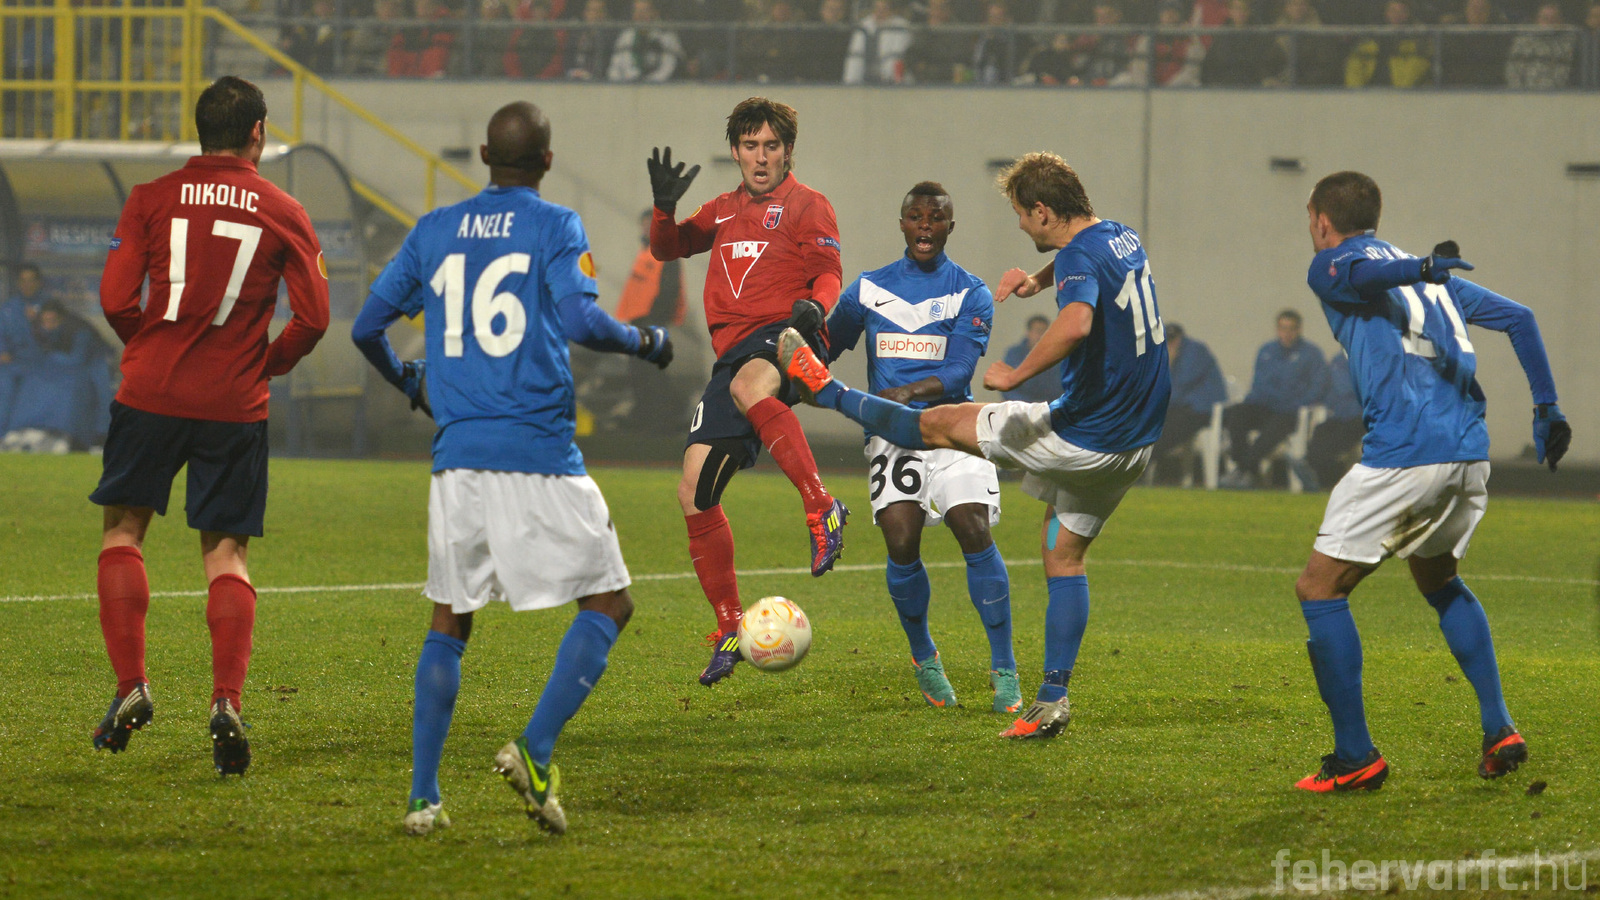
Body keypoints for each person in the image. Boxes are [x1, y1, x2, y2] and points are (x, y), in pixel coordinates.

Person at [352, 101, 670, 837]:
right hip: (537, 450)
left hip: (457, 457)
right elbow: (582, 322)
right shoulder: (555, 224)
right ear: (547, 162)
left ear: (485, 158)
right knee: (610, 602)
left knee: (450, 618)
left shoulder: (435, 229)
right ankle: (535, 747)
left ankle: (424, 799)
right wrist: (647, 342)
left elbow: (367, 328)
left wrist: (410, 381)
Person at [780, 151, 1171, 741]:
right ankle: (1050, 699)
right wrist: (1038, 280)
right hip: (1137, 439)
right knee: (1063, 557)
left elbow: (1077, 323)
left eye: (1021, 214)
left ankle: (827, 392)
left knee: (936, 425)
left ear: (1043, 211)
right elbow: (1083, 264)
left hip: (1085, 431)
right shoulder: (1119, 235)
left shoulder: (1015, 276)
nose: (1019, 224)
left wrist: (1015, 373)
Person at [1292, 170, 1570, 791]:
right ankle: (1499, 727)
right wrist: (1546, 405)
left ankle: (1355, 757)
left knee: (1319, 589)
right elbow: (1520, 318)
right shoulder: (1433, 280)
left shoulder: (1335, 263)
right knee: (1439, 578)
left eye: (1310, 219)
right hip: (1468, 453)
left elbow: (1357, 275)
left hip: (1406, 453)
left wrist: (1419, 267)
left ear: (1321, 219)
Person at [89, 76, 330, 776]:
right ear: (257, 131)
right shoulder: (283, 208)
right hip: (233, 402)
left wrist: (149, 349)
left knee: (123, 530)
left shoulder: (150, 198)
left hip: (150, 392)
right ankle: (226, 700)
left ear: (201, 129)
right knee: (226, 553)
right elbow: (314, 318)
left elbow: (115, 298)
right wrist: (265, 363)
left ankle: (131, 685)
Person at [646, 98, 849, 687]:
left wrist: (818, 306)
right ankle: (730, 628)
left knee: (747, 383)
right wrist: (664, 209)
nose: (761, 157)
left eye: (771, 146)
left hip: (790, 333)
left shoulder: (808, 205)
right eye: (750, 146)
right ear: (735, 151)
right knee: (693, 492)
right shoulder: (723, 209)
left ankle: (821, 505)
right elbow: (668, 247)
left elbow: (829, 273)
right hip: (733, 355)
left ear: (788, 151)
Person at [824, 182, 1019, 713]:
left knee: (971, 526)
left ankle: (1004, 667)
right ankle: (924, 656)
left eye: (936, 217)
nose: (926, 224)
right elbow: (826, 345)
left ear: (950, 226)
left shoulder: (970, 292)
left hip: (952, 428)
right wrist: (798, 337)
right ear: (903, 224)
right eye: (916, 216)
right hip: (892, 435)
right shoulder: (868, 288)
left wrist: (907, 393)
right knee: (901, 539)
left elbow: (959, 371)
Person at [1219, 308, 1325, 489]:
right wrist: (1277, 398)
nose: (1287, 333)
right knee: (1237, 414)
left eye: (1291, 328)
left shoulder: (1311, 354)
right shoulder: (1266, 351)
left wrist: (1293, 402)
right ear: (1277, 329)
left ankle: (1242, 470)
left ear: (1299, 330)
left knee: (1276, 426)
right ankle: (1247, 470)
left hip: (1290, 411)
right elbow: (1259, 385)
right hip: (1265, 406)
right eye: (1283, 328)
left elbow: (1317, 388)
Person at [1149, 322, 1225, 483]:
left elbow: (1177, 388)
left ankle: (1143, 466)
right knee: (1152, 424)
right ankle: (1143, 466)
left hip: (1202, 409)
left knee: (1166, 431)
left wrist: (1169, 362)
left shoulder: (1195, 352)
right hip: (1183, 407)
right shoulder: (1164, 350)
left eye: (1173, 339)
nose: (1171, 343)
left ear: (1180, 338)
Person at [1295, 349, 1364, 491]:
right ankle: (1314, 471)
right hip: (1338, 415)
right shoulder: (1337, 361)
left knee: (1335, 441)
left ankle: (1326, 481)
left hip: (1360, 416)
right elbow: (1327, 390)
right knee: (1321, 431)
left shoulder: (1368, 360)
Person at [1344, 0, 1430, 88]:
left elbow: (1417, 69)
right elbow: (1354, 66)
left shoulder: (1419, 41)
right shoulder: (1370, 39)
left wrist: (1400, 93)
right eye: (1393, 10)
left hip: (1403, 93)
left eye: (1402, 11)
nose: (1397, 15)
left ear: (1409, 14)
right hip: (1368, 92)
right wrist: (1356, 92)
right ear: (1386, 12)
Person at [606, 0, 683, 81]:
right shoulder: (626, 36)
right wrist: (617, 84)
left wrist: (648, 84)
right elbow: (614, 67)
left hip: (658, 85)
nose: (640, 15)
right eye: (637, 11)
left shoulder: (667, 36)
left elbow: (668, 68)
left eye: (644, 11)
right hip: (627, 85)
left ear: (654, 13)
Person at [1505, 1, 1576, 88]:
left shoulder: (1572, 42)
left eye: (1554, 19)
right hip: (1528, 92)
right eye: (1545, 19)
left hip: (1563, 93)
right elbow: (1513, 72)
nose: (1550, 23)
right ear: (1537, 20)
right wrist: (1518, 93)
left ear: (1561, 21)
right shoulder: (1523, 41)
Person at [843, 0, 913, 83]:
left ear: (893, 9)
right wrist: (849, 82)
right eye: (877, 8)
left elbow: (897, 57)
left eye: (884, 8)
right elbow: (855, 56)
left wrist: (888, 81)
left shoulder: (901, 27)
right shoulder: (864, 25)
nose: (880, 12)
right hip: (865, 81)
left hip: (893, 82)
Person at [999, 315, 1059, 403]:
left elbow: (1059, 386)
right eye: (1038, 331)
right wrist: (1028, 404)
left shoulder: (1056, 355)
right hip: (1019, 405)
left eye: (1045, 332)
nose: (1041, 336)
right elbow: (1006, 385)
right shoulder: (1014, 354)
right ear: (1028, 332)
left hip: (1048, 405)